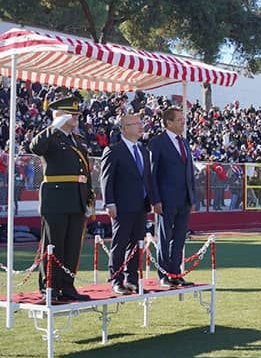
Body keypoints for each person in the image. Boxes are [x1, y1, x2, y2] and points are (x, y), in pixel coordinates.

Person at [28, 94, 94, 301]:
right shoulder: (51, 137)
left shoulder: (78, 140)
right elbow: (35, 147)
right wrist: (54, 126)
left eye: (76, 115)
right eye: (71, 114)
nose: (76, 118)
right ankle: (49, 288)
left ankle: (67, 286)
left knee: (72, 246)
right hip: (56, 199)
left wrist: (89, 197)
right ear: (60, 115)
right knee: (53, 244)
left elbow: (85, 171)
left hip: (77, 197)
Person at [100, 112, 153, 295]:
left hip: (140, 205)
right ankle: (116, 279)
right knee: (120, 242)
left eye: (141, 123)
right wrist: (109, 202)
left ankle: (132, 279)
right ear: (124, 128)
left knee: (137, 243)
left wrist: (152, 200)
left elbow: (147, 178)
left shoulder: (143, 151)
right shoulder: (114, 150)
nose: (141, 126)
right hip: (122, 205)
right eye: (135, 123)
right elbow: (106, 179)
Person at [149, 107, 196, 288]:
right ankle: (163, 274)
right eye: (179, 120)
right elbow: (152, 173)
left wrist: (192, 197)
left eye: (183, 119)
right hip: (166, 199)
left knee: (180, 238)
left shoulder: (184, 142)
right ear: (168, 123)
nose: (183, 122)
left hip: (184, 199)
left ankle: (175, 273)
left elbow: (189, 171)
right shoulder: (157, 142)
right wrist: (155, 200)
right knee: (164, 237)